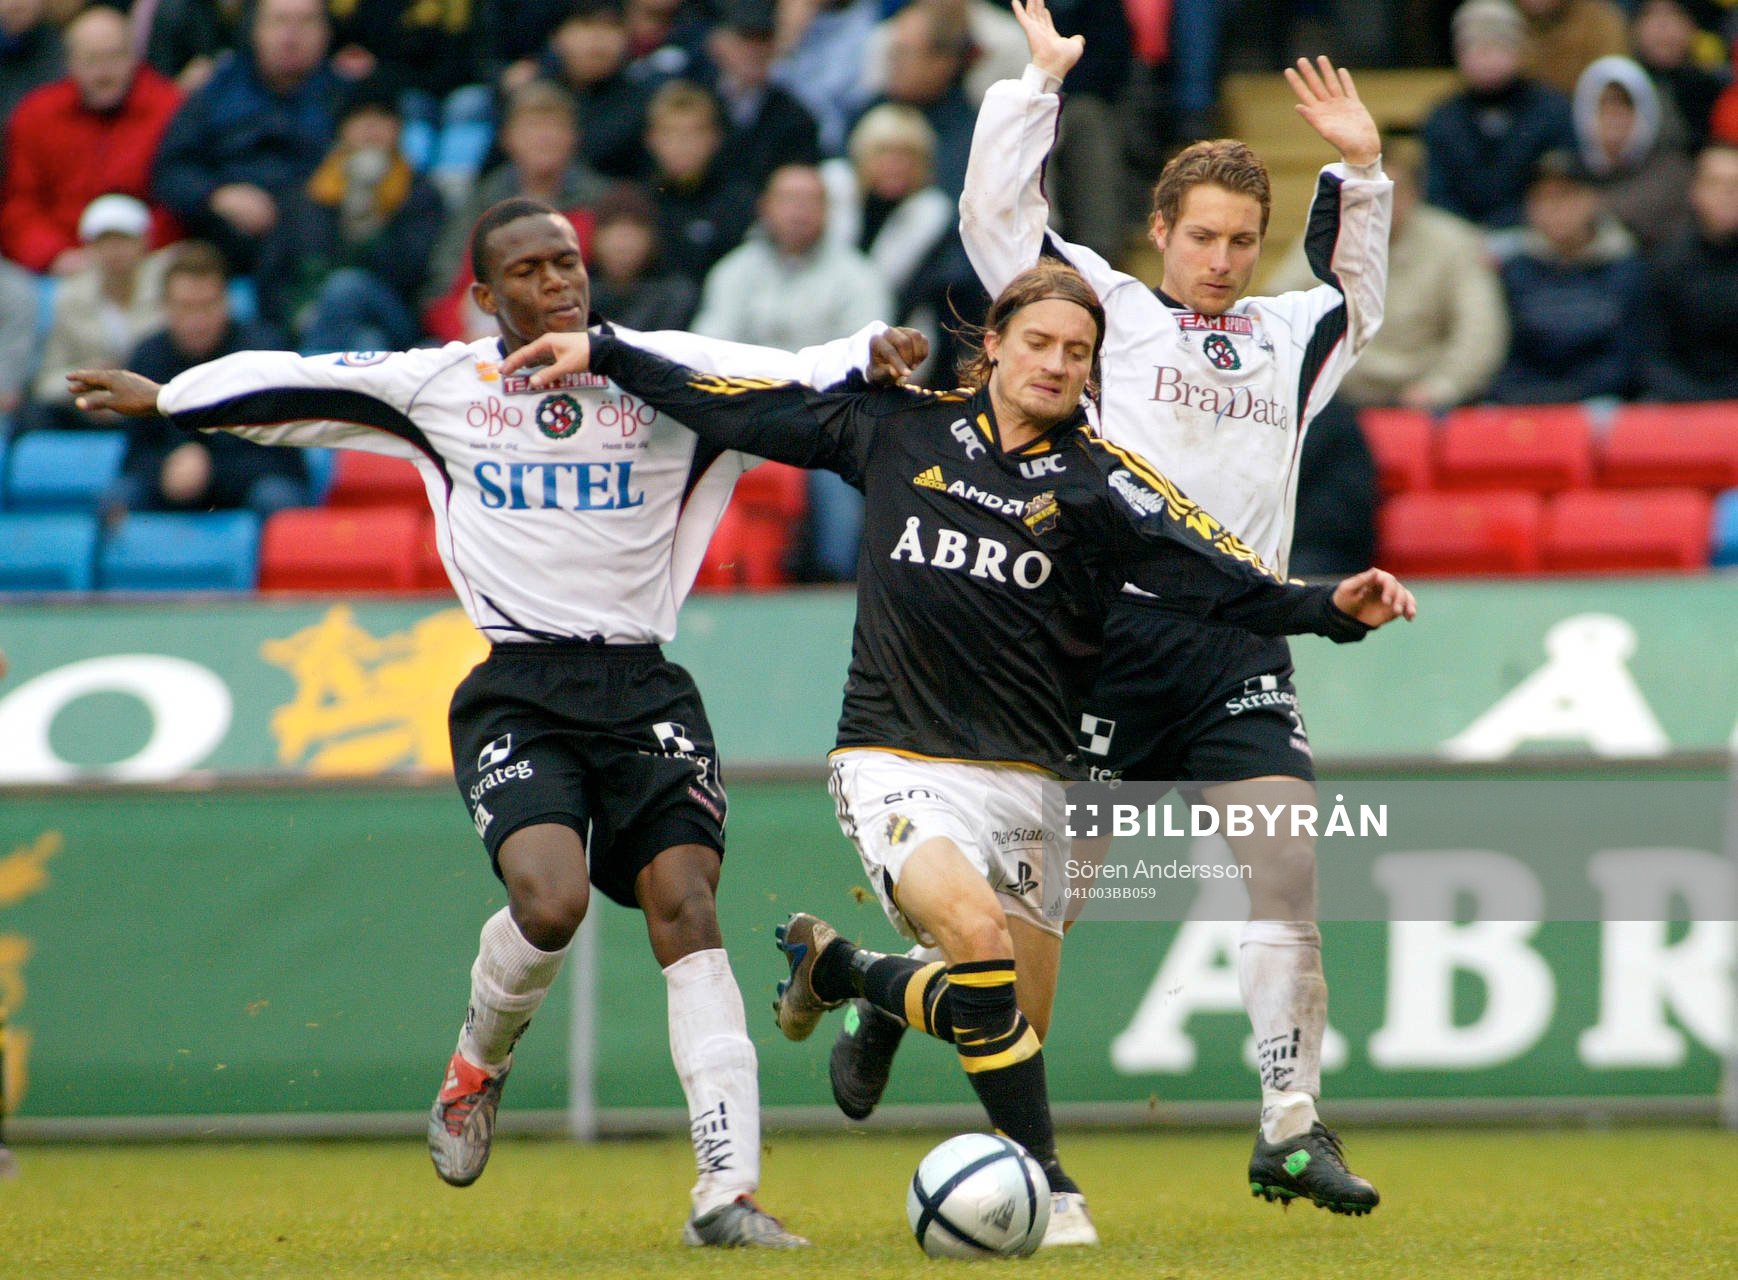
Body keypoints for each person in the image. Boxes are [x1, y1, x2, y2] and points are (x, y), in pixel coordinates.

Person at [498, 260, 1414, 1249]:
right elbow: (738, 408)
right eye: (1038, 342)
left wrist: (1325, 605)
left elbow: (1218, 572)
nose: (1056, 364)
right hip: (895, 760)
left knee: (1007, 1017)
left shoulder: (1101, 482)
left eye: (1077, 352)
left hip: (1029, 780)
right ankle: (1053, 1190)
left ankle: (845, 968)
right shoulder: (897, 427)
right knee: (973, 937)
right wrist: (608, 350)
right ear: (994, 344)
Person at [67, 196, 921, 1249]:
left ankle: (724, 1192)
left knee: (686, 905)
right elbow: (307, 382)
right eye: (529, 270)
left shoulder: (653, 371)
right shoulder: (443, 386)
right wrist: (173, 400)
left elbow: (773, 369)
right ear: (484, 296)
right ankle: (478, 1061)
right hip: (518, 687)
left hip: (645, 687)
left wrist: (865, 350)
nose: (559, 281)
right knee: (551, 900)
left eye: (569, 262)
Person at [887, 0, 1395, 1220]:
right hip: (1098, 644)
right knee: (1039, 920)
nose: (1222, 257)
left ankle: (1287, 1126)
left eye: (1242, 238)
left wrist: (1362, 173)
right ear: (1159, 231)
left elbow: (1358, 300)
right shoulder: (1106, 315)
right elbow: (996, 225)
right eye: (1202, 235)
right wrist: (1033, 92)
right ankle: (911, 1023)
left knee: (1285, 861)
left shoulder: (1292, 334)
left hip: (1235, 645)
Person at [107, 240, 307, 518]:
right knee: (117, 498)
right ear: (165, 307)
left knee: (276, 496)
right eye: (186, 308)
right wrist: (167, 468)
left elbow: (284, 458)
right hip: (170, 486)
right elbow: (135, 455)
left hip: (246, 486)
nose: (196, 321)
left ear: (227, 303)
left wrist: (210, 469)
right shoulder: (148, 356)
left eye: (207, 306)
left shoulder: (263, 353)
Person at [255, 74, 446, 354]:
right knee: (366, 344)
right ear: (343, 128)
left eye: (382, 117)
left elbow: (416, 277)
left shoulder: (420, 194)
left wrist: (368, 220)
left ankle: (309, 388)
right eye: (359, 118)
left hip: (392, 314)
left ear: (398, 128)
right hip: (317, 318)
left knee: (346, 287)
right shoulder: (309, 192)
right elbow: (275, 273)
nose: (370, 127)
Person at [149, 0, 342, 273]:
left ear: (326, 32)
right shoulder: (215, 92)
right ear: (254, 29)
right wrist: (216, 195)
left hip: (313, 235)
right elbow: (171, 171)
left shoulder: (348, 98)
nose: (291, 36)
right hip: (225, 238)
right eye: (279, 21)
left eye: (306, 22)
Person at [0, 4, 183, 275]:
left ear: (135, 57)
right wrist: (54, 254)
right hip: (58, 268)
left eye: (114, 57)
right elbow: (19, 205)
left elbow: (179, 198)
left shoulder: (170, 109)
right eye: (92, 60)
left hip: (149, 261)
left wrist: (135, 249)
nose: (104, 72)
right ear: (70, 63)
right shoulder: (35, 115)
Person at [1490, 149, 1645, 403]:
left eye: (1566, 196)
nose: (1555, 209)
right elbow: (1503, 354)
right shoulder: (1514, 269)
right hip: (1524, 400)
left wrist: (1568, 396)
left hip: (1603, 400)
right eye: (1542, 198)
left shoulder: (1626, 266)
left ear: (1593, 199)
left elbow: (1627, 357)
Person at [1423, 0, 1575, 230]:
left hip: (1534, 233)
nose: (1485, 58)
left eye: (1498, 46)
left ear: (1519, 50)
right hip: (1459, 236)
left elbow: (1557, 183)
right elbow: (1437, 194)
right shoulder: (1442, 118)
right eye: (1474, 47)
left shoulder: (1551, 110)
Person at [23, 195, 166, 434]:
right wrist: (87, 379)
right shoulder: (70, 298)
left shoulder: (166, 290)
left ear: (144, 242)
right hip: (86, 408)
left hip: (152, 407)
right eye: (105, 242)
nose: (114, 251)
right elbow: (46, 381)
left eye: (123, 240)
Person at [1637, 139, 1738, 400]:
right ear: (1695, 191)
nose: (1726, 195)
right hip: (1680, 404)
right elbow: (1649, 353)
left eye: (1735, 185)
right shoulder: (1666, 262)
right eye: (1715, 183)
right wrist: (1694, 401)